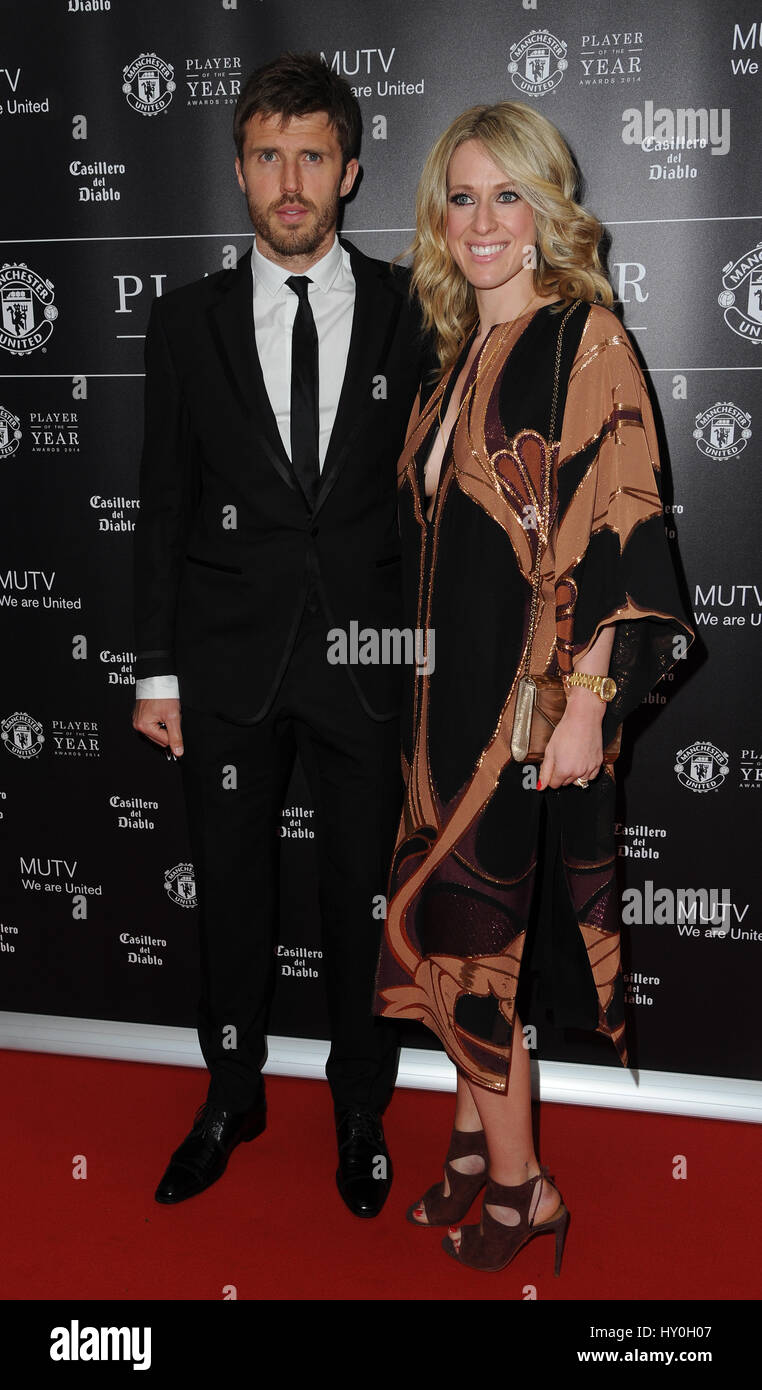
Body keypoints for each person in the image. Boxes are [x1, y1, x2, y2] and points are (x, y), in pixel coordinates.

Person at [373, 101, 694, 1272]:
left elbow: (621, 515)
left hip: (520, 708)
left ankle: (526, 1187)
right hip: (433, 705)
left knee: (482, 938)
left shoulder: (583, 334)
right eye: (461, 197)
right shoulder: (453, 355)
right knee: (454, 940)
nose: (482, 221)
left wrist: (591, 700)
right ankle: (470, 1143)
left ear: (546, 208)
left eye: (508, 194)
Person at [131, 52, 428, 1217]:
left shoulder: (417, 309)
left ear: (351, 170)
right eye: (269, 157)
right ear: (240, 172)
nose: (291, 181)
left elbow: (437, 512)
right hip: (225, 661)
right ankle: (232, 1090)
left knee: (364, 897)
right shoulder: (183, 322)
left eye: (313, 156)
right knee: (233, 893)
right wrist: (155, 670)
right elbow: (160, 504)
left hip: (369, 662)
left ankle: (362, 1107)